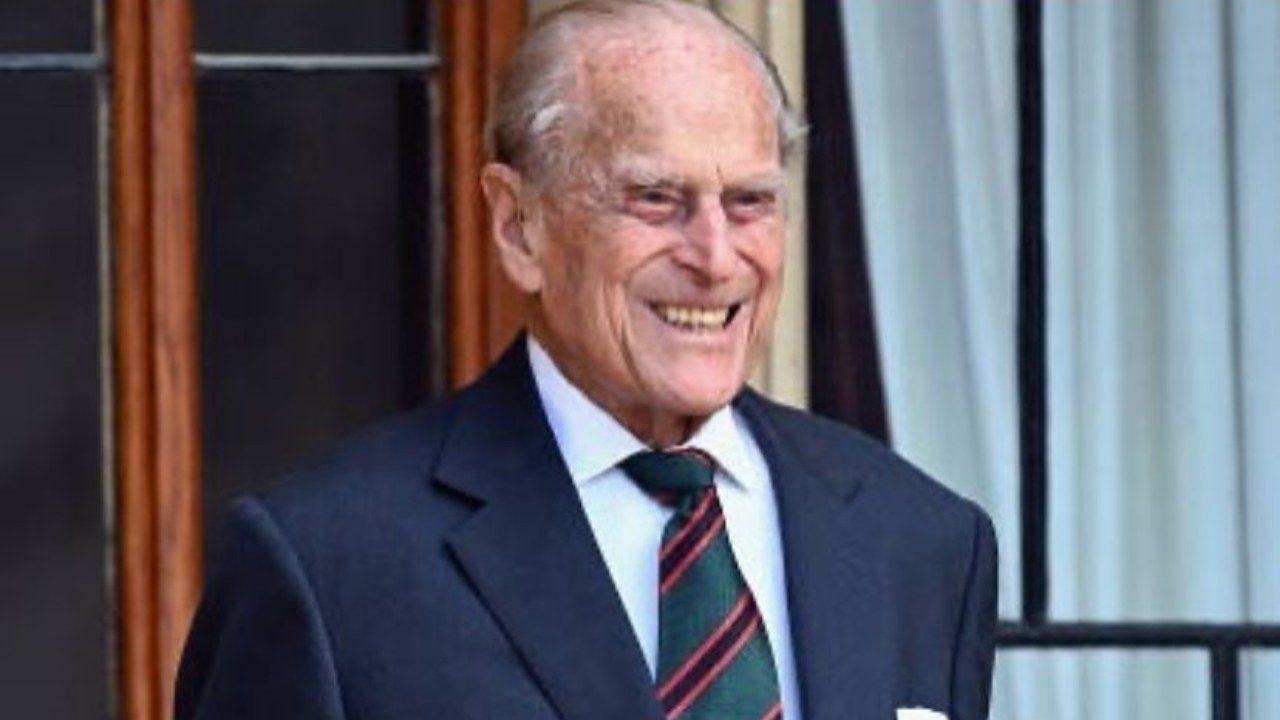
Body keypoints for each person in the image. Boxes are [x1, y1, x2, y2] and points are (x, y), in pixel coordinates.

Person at [175, 2, 997, 719]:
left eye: (749, 202)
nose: (716, 257)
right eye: (656, 199)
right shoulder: (329, 568)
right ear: (518, 225)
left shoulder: (920, 543)